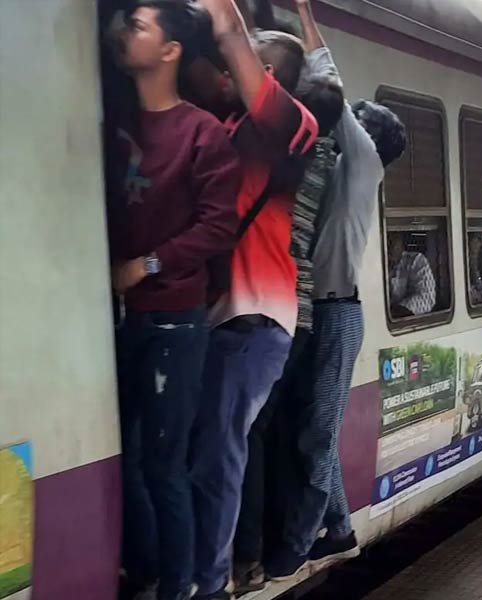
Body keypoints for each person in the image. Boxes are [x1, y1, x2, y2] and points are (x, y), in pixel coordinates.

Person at [264, 0, 408, 580]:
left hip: (336, 312)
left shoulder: (366, 161)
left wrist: (305, 18)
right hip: (317, 308)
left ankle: (297, 543)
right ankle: (341, 528)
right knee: (309, 425)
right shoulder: (337, 166)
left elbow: (333, 87)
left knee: (317, 430)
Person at [105, 3, 242, 599]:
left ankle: (181, 587)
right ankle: (145, 570)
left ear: (170, 51)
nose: (122, 33)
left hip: (173, 319)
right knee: (127, 459)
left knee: (163, 464)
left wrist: (147, 264)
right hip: (120, 315)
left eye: (138, 25)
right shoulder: (109, 121)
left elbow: (219, 227)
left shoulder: (201, 133)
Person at [185, 0, 321, 597]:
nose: (229, 69)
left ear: (272, 77)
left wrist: (227, 18)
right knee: (207, 450)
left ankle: (210, 583)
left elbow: (236, 46)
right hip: (222, 316)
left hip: (255, 318)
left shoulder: (293, 125)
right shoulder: (231, 125)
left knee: (219, 454)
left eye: (250, 64)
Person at [230, 75, 346, 594]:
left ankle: (249, 553)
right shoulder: (324, 161)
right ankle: (265, 547)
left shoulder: (293, 153)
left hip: (273, 306)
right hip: (295, 313)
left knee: (252, 433)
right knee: (272, 431)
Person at [388, 234, 437, 317]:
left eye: (393, 240)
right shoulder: (372, 265)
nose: (389, 246)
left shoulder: (416, 260)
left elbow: (427, 298)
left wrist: (394, 312)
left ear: (401, 244)